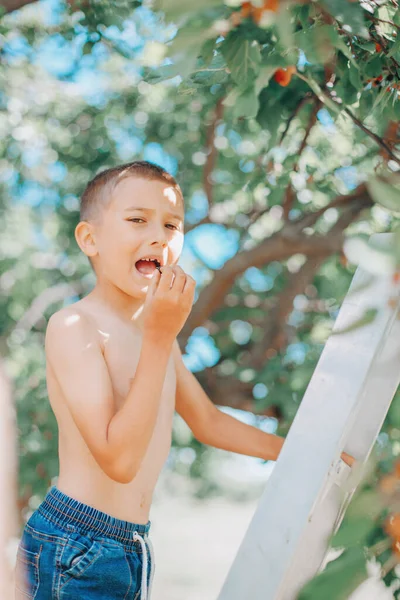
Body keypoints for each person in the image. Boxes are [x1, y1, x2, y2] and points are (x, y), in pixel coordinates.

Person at [14, 160, 355, 600]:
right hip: (76, 546)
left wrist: (302, 454)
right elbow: (119, 462)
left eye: (172, 225)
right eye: (137, 219)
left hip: (130, 545)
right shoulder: (74, 325)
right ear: (90, 239)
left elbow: (207, 422)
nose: (159, 235)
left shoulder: (156, 336)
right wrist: (160, 336)